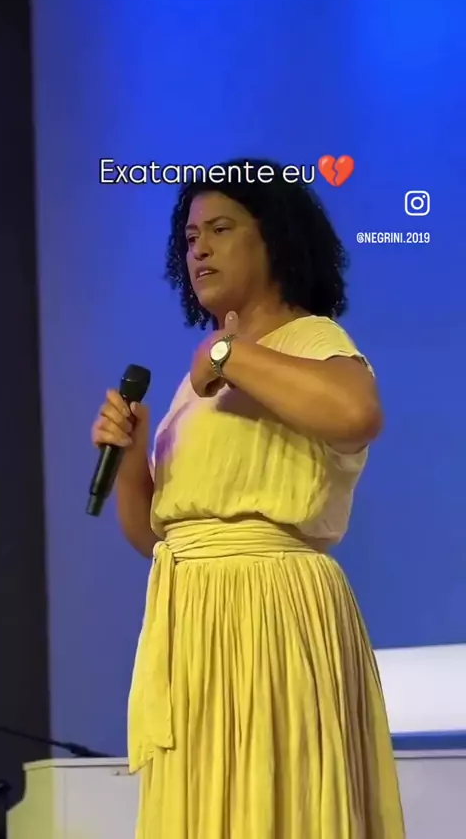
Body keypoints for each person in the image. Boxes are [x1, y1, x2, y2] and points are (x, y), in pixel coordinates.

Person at [91, 158, 405, 838]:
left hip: (269, 615)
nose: (198, 248)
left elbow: (357, 414)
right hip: (195, 625)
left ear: (274, 238)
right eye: (189, 238)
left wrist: (229, 357)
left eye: (220, 229)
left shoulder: (311, 340)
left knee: (273, 803)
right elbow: (158, 538)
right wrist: (133, 456)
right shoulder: (194, 382)